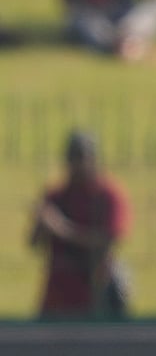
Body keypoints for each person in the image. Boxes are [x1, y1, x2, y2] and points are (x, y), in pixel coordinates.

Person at [28, 130, 131, 321]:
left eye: (81, 158)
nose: (76, 165)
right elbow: (33, 244)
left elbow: (107, 241)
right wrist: (41, 221)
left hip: (94, 294)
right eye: (72, 158)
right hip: (56, 296)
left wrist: (61, 229)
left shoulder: (108, 196)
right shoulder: (56, 196)